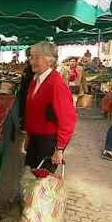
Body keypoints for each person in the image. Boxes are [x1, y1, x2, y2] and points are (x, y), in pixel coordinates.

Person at [24, 42, 77, 172]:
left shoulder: (56, 84)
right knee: (30, 176)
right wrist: (29, 136)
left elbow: (67, 119)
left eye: (37, 58)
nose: (32, 61)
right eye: (31, 57)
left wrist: (60, 149)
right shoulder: (36, 80)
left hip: (48, 142)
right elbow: (32, 112)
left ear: (49, 60)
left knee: (41, 183)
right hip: (35, 139)